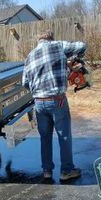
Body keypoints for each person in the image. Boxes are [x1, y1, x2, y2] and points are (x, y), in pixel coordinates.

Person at [22, 30, 87, 181]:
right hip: (57, 100)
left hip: (39, 102)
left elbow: (25, 82)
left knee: (45, 137)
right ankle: (67, 170)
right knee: (63, 135)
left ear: (38, 41)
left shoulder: (30, 56)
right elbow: (82, 46)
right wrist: (74, 59)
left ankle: (47, 171)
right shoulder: (58, 46)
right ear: (51, 39)